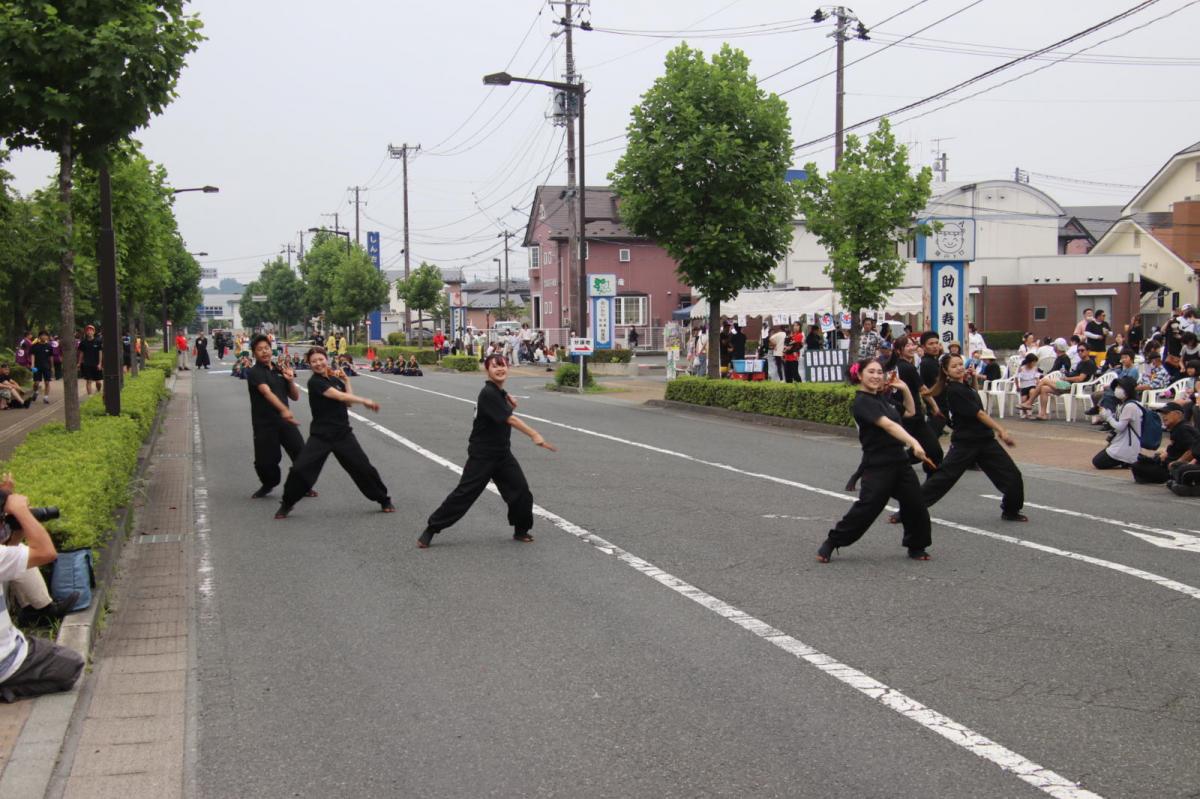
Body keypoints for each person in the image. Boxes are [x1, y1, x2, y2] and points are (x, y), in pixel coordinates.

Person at [418, 355, 556, 548]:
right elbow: (510, 420)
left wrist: (509, 405)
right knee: (465, 493)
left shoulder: (500, 393)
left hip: (502, 454)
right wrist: (534, 434)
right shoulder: (488, 393)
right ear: (487, 370)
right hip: (482, 455)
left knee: (521, 491)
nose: (500, 369)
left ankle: (521, 529)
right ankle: (431, 529)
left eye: (503, 366)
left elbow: (500, 416)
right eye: (495, 367)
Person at [816, 359, 932, 563]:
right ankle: (832, 542)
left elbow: (911, 412)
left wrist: (904, 389)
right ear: (860, 375)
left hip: (900, 461)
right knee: (868, 508)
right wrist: (914, 442)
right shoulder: (862, 402)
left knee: (916, 504)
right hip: (877, 464)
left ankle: (916, 546)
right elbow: (888, 425)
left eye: (880, 372)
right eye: (871, 372)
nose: (877, 376)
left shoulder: (884, 399)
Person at [275, 348, 394, 519]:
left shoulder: (334, 379)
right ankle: (287, 503)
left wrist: (346, 381)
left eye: (320, 359)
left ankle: (383, 499)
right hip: (321, 436)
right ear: (310, 364)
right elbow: (339, 397)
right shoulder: (315, 382)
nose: (318, 363)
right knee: (300, 469)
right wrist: (365, 400)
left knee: (363, 468)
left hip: (343, 434)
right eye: (314, 361)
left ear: (326, 359)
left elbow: (347, 402)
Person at [0, 483, 86, 702]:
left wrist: (14, 525)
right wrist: (20, 511)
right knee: (71, 666)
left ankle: (42, 610)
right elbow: (47, 552)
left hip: (12, 642)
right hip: (6, 658)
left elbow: (11, 558)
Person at [917, 354, 1027, 522]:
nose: (959, 368)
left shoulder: (964, 385)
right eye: (954, 366)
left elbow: (975, 396)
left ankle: (1010, 510)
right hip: (965, 443)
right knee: (942, 478)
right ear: (946, 371)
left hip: (984, 441)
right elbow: (979, 413)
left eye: (960, 364)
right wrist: (1001, 430)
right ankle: (910, 509)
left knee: (1012, 476)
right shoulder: (955, 390)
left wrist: (974, 378)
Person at [245, 334, 308, 499]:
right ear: (254, 353)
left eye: (266, 348)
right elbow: (266, 392)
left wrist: (290, 381)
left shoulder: (280, 369)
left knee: (301, 453)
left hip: (285, 422)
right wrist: (284, 410)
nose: (264, 352)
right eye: (260, 349)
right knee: (265, 463)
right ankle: (268, 484)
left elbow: (295, 397)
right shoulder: (254, 372)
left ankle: (304, 485)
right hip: (264, 424)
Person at [889, 336, 943, 474]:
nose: (912, 348)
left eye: (912, 345)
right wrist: (935, 407)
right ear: (899, 350)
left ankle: (890, 466)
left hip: (904, 413)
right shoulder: (907, 367)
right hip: (913, 415)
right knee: (933, 450)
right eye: (907, 346)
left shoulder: (896, 366)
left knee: (925, 448)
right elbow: (923, 390)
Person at [1131, 403, 1198, 484]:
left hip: (1172, 468)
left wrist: (1178, 462)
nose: (1164, 416)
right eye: (1162, 414)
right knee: (1141, 462)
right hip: (1167, 464)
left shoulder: (1183, 428)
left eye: (1167, 413)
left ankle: (1171, 478)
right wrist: (1165, 454)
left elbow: (1192, 449)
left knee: (1138, 467)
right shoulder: (1177, 428)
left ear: (1178, 414)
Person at [1092, 376, 1146, 470]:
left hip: (1127, 445)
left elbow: (1120, 427)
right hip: (1122, 442)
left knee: (1098, 462)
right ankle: (1126, 461)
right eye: (1117, 387)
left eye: (1120, 387)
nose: (1117, 389)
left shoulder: (1130, 406)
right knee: (1099, 459)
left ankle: (1127, 460)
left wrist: (1108, 417)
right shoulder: (1123, 404)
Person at [1032, 345, 1096, 420]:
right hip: (1067, 385)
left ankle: (1030, 402)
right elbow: (1075, 374)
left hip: (1071, 387)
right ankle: (1043, 414)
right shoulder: (1081, 363)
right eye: (1078, 351)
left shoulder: (1088, 363)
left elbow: (1080, 378)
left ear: (1088, 351)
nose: (1080, 352)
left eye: (1082, 350)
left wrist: (1066, 378)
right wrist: (1066, 375)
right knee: (1043, 388)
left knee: (1044, 380)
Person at [76, 324, 103, 394]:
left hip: (96, 364)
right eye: (88, 330)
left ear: (94, 332)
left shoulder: (98, 341)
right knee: (88, 380)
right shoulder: (83, 342)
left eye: (91, 330)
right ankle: (90, 396)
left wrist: (100, 363)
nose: (89, 332)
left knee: (98, 382)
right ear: (86, 332)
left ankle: (98, 391)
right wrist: (79, 362)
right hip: (87, 364)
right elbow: (81, 353)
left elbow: (100, 352)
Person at [1014, 354, 1042, 419]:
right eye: (1033, 362)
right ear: (1029, 362)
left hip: (1032, 384)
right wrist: (1017, 386)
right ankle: (1025, 413)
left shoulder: (1035, 368)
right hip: (1024, 386)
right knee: (1024, 399)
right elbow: (1016, 378)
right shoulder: (1021, 368)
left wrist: (1038, 384)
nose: (1034, 363)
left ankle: (1029, 411)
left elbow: (1037, 378)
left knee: (1032, 392)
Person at [29, 331, 53, 405]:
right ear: (39, 337)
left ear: (47, 337)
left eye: (45, 335)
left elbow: (51, 357)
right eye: (42, 335)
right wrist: (32, 365)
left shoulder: (49, 346)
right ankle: (36, 392)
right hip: (37, 367)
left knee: (47, 382)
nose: (44, 337)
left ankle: (45, 397)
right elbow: (32, 355)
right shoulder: (35, 346)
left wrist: (52, 367)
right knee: (36, 383)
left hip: (46, 367)